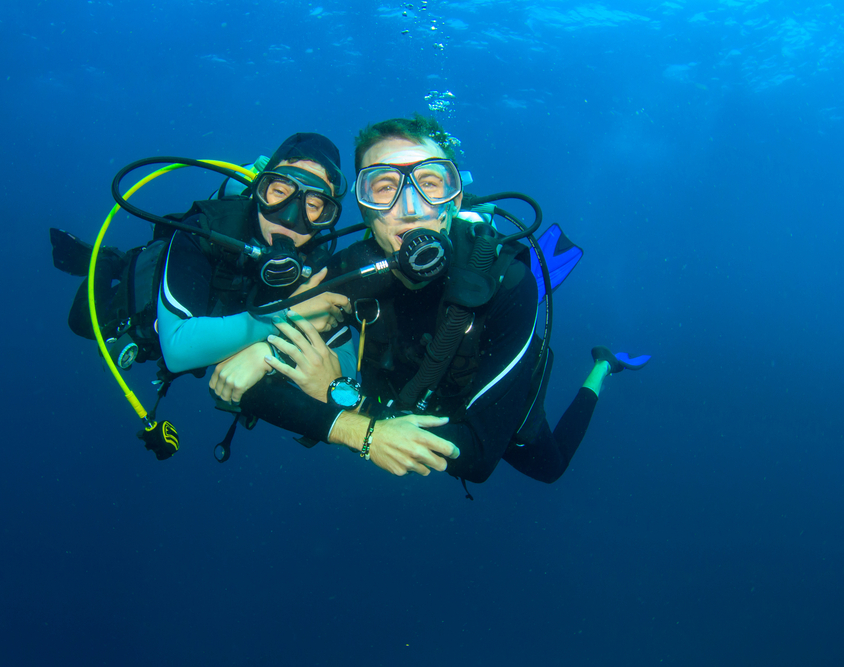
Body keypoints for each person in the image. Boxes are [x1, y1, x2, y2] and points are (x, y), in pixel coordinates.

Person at [225, 115, 648, 491]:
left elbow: (479, 457)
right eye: (384, 187)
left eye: (429, 183)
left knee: (549, 468)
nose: (410, 209)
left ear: (454, 199)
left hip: (489, 409)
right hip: (399, 404)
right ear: (364, 208)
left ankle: (602, 365)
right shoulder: (351, 273)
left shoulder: (509, 282)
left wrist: (350, 410)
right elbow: (246, 383)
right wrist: (265, 350)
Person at [51, 132, 358, 458]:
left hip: (225, 319)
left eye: (313, 206)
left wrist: (266, 357)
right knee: (83, 322)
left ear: (328, 216)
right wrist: (289, 317)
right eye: (279, 192)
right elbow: (179, 350)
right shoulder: (206, 229)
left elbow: (346, 370)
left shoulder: (317, 267)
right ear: (259, 189)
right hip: (174, 300)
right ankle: (109, 261)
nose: (289, 218)